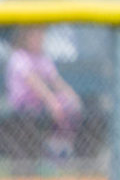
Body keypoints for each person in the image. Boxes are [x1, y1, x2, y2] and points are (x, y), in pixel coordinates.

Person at [4, 25, 83, 159]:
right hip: (21, 105)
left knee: (67, 103)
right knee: (56, 105)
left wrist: (73, 96)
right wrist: (52, 102)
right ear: (25, 38)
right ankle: (51, 150)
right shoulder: (19, 57)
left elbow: (56, 81)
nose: (39, 39)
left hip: (40, 105)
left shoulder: (42, 57)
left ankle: (59, 147)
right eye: (34, 35)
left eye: (41, 35)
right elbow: (36, 84)